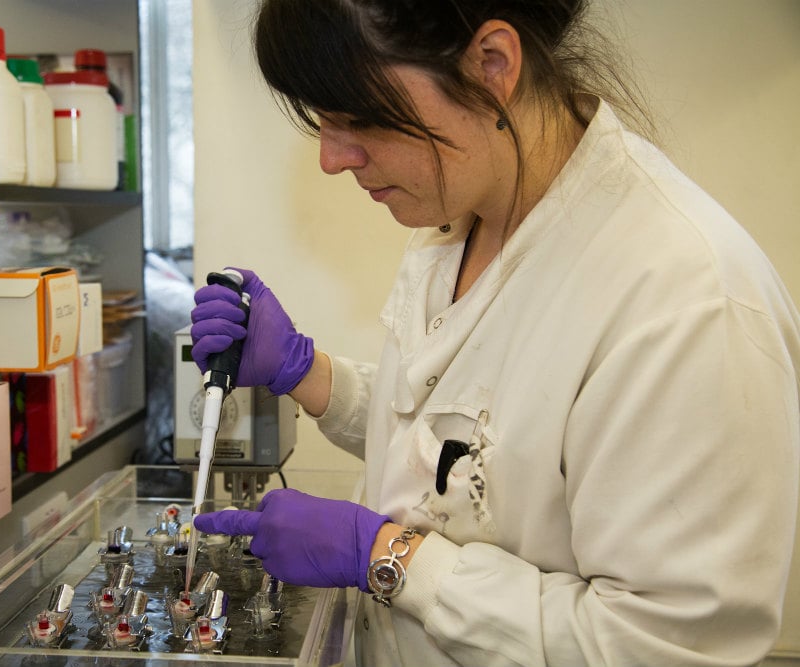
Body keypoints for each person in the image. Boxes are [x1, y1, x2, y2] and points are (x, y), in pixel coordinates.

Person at [189, 1, 800, 665]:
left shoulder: (688, 301)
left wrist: (385, 557)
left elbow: (658, 647)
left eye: (357, 116)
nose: (332, 159)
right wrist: (308, 374)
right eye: (322, 121)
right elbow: (473, 457)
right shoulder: (462, 215)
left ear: (491, 66)